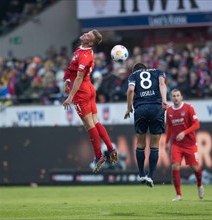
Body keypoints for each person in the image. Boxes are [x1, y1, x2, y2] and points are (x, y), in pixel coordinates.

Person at [62, 29, 118, 173]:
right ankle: (111, 149)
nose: (85, 34)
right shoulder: (81, 50)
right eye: (87, 33)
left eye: (88, 35)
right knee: (95, 121)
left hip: (81, 91)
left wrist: (70, 97)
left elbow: (79, 78)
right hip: (88, 88)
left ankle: (99, 156)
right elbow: (72, 69)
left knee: (89, 125)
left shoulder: (86, 56)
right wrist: (67, 79)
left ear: (91, 42)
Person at [124, 63, 168, 187]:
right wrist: (164, 100)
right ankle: (150, 176)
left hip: (141, 109)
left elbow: (131, 90)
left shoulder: (133, 76)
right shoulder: (158, 72)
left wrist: (129, 108)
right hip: (156, 108)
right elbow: (162, 84)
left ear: (135, 70)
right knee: (154, 144)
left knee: (140, 144)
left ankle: (142, 173)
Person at [165, 89, 204, 201]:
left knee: (195, 168)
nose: (176, 98)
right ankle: (178, 195)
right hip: (177, 145)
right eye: (173, 96)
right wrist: (167, 142)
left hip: (190, 143)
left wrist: (184, 132)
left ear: (181, 97)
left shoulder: (188, 108)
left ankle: (200, 185)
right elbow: (169, 128)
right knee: (175, 166)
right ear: (171, 98)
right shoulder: (169, 111)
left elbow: (196, 124)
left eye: (178, 95)